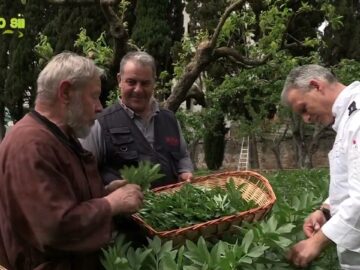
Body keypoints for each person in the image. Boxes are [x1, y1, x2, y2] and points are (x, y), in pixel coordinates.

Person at [0, 52, 144, 270]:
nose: (99, 107)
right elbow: (54, 227)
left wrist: (104, 192)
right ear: (66, 92)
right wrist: (111, 204)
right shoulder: (30, 145)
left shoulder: (56, 136)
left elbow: (62, 198)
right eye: (94, 96)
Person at [281, 64, 360, 269]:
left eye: (303, 108)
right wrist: (326, 211)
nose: (306, 119)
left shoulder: (358, 117)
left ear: (316, 86)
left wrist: (316, 242)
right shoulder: (348, 118)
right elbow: (352, 179)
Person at [80, 51, 193, 188]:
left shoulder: (170, 119)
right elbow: (84, 175)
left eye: (145, 83)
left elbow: (182, 156)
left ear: (154, 83)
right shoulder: (99, 124)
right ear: (119, 80)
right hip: (123, 209)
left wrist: (185, 171)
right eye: (131, 82)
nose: (138, 90)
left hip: (171, 207)